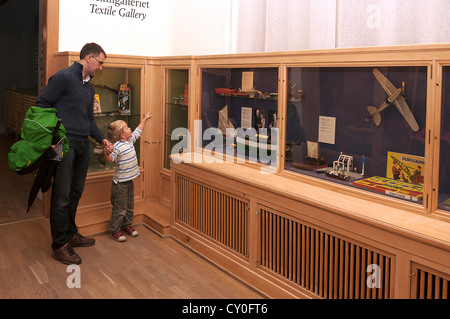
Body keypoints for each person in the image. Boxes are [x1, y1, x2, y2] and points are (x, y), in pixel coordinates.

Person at [35, 42, 113, 265]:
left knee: (75, 192)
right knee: (61, 196)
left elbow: (89, 120)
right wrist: (49, 140)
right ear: (88, 58)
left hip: (82, 146)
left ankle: (70, 233)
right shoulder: (63, 77)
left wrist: (102, 139)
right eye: (100, 62)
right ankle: (59, 245)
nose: (101, 68)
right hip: (62, 144)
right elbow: (41, 106)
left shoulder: (90, 87)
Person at [104, 111, 152, 242]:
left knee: (130, 206)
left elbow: (138, 131)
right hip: (120, 184)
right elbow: (110, 159)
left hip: (129, 181)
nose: (130, 129)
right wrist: (106, 152)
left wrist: (145, 119)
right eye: (127, 128)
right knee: (120, 208)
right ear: (122, 135)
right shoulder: (117, 147)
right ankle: (114, 230)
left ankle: (126, 226)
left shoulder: (130, 141)